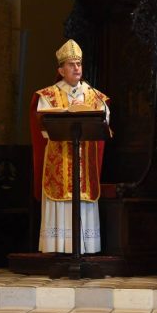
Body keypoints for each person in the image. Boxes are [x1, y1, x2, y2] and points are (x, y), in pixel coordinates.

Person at [30, 39, 109, 254]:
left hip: (85, 160)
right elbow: (42, 127)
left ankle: (84, 248)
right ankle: (58, 248)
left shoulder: (95, 96)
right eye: (71, 64)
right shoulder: (47, 95)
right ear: (61, 70)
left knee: (82, 200)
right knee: (60, 200)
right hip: (59, 158)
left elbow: (104, 122)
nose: (76, 68)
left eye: (79, 64)